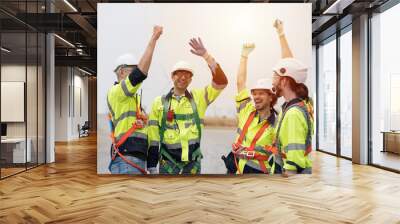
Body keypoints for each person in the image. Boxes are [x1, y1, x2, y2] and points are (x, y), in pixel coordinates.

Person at [147, 37, 228, 174]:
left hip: (192, 166)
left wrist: (206, 56)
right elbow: (153, 137)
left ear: (191, 79)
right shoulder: (158, 103)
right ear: (172, 77)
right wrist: (151, 166)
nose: (183, 77)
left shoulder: (200, 98)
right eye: (179, 74)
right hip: (167, 165)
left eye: (187, 75)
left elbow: (221, 82)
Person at [107, 25, 163, 174]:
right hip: (127, 159)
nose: (136, 77)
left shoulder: (132, 100)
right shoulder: (117, 92)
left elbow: (150, 133)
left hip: (136, 160)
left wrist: (152, 163)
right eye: (132, 70)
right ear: (121, 71)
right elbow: (141, 73)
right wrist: (153, 40)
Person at [223, 43, 278, 174]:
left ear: (271, 97)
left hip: (258, 174)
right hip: (234, 169)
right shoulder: (246, 110)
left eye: (261, 93)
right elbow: (240, 82)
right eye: (254, 93)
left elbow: (280, 153)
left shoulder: (277, 124)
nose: (256, 97)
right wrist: (244, 56)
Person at [271, 19, 314, 175]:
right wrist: (281, 34)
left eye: (274, 76)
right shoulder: (298, 105)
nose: (272, 80)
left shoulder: (293, 114)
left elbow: (293, 161)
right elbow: (290, 66)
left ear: (283, 81)